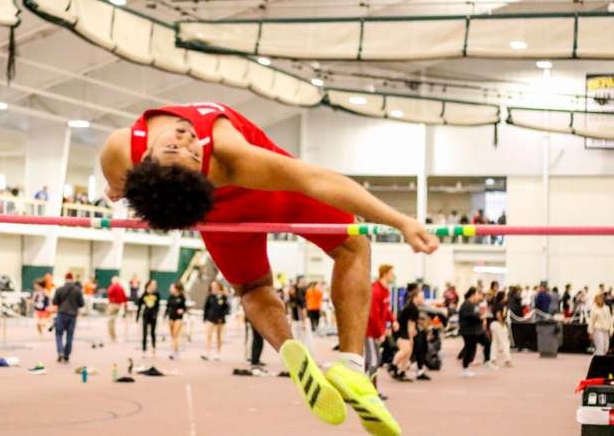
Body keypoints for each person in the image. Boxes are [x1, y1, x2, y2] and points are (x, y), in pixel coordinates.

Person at [101, 102, 438, 433]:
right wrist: (400, 221)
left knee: (252, 288)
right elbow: (315, 179)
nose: (187, 140)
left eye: (185, 149)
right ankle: (350, 365)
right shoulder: (223, 152)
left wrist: (117, 188)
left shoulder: (118, 150)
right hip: (273, 195)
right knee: (353, 245)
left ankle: (290, 350)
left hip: (224, 213)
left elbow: (118, 187)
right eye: (180, 148)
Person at [365, 265, 397, 396]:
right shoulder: (376, 291)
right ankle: (371, 390)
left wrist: (393, 320)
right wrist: (381, 332)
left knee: (370, 360)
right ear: (384, 274)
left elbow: (386, 310)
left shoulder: (385, 290)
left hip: (376, 331)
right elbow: (373, 315)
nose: (393, 275)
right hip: (370, 331)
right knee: (373, 360)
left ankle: (358, 386)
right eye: (391, 273)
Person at [391, 287, 423, 382]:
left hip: (404, 331)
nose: (423, 299)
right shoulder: (412, 308)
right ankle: (392, 366)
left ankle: (402, 372)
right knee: (406, 349)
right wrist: (411, 338)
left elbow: (412, 325)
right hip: (401, 332)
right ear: (415, 298)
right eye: (421, 297)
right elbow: (410, 325)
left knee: (408, 352)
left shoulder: (412, 307)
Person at [53, 272, 84, 363]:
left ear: (65, 278)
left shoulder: (59, 289)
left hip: (61, 314)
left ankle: (60, 352)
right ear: (73, 278)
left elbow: (55, 302)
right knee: (69, 336)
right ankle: (67, 355)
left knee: (59, 334)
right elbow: (81, 304)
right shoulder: (78, 290)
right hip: (72, 315)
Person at [459, 288, 484, 378]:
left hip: (471, 330)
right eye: (478, 294)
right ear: (473, 294)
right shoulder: (467, 304)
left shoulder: (472, 304)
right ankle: (465, 369)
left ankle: (466, 368)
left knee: (471, 348)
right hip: (467, 331)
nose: (479, 296)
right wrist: (479, 318)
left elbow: (474, 315)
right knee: (469, 349)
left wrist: (478, 317)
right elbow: (468, 316)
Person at [202, 280, 229, 361]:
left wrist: (223, 294)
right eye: (212, 287)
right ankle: (207, 352)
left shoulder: (223, 296)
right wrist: (205, 317)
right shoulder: (210, 296)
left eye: (215, 286)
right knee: (208, 335)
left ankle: (218, 353)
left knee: (219, 336)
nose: (214, 288)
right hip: (210, 318)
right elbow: (206, 307)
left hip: (220, 319)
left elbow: (226, 308)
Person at [136, 279, 161, 358]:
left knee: (153, 333)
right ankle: (144, 350)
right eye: (153, 284)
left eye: (155, 284)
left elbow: (157, 306)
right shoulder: (144, 293)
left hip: (153, 316)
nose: (154, 285)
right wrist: (137, 316)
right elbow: (139, 305)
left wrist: (156, 314)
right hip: (146, 315)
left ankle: (153, 348)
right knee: (144, 333)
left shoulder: (157, 294)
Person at [488, 291, 512, 367]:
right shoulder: (501, 304)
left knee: (495, 342)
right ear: (502, 297)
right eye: (505, 296)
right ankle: (507, 360)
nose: (506, 298)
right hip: (498, 324)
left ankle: (493, 359)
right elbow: (498, 314)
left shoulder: (495, 304)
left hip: (493, 324)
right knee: (505, 342)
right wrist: (502, 323)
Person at [166, 282, 186, 359]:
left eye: (172, 288)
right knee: (172, 336)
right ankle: (176, 351)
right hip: (171, 317)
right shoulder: (170, 297)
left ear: (176, 289)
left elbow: (184, 307)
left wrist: (182, 310)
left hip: (178, 318)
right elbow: (167, 307)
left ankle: (173, 352)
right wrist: (165, 317)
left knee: (175, 335)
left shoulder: (182, 297)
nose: (170, 289)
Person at [288, 278, 310, 350]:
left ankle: (304, 351)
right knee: (295, 337)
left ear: (295, 289)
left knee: (302, 338)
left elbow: (303, 310)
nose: (290, 290)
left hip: (301, 320)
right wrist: (290, 321)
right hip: (295, 321)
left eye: (291, 288)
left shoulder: (300, 298)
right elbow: (291, 310)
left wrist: (304, 323)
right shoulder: (291, 298)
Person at [106, 276, 128, 341]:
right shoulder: (121, 288)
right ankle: (113, 336)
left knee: (110, 321)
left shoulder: (113, 287)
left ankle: (112, 336)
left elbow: (109, 292)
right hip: (119, 305)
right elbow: (124, 297)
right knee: (112, 320)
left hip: (113, 304)